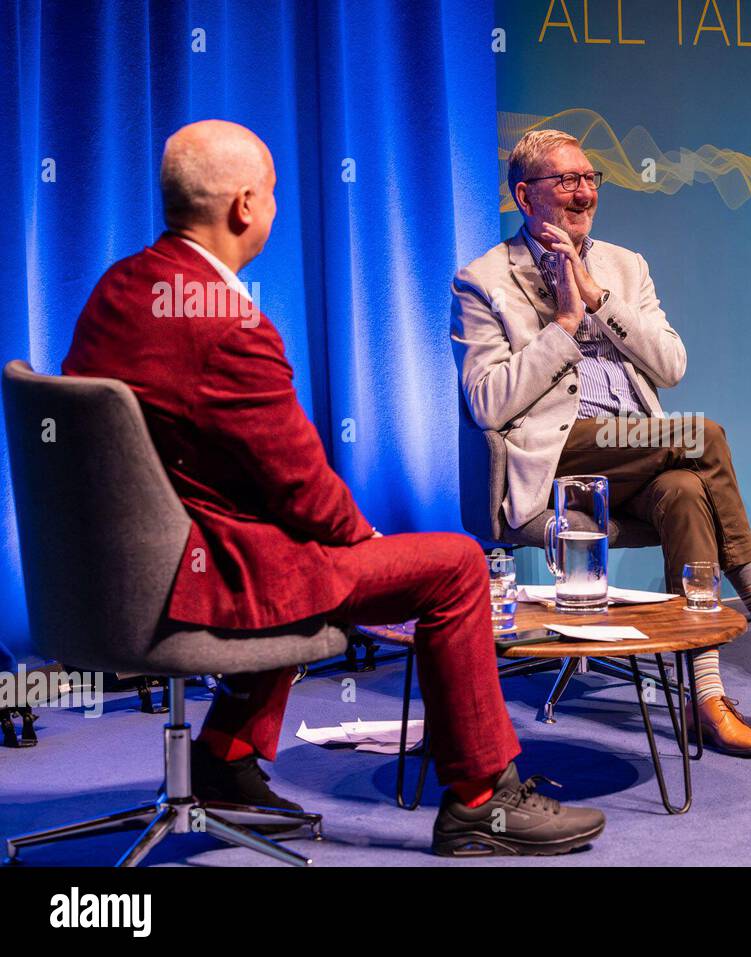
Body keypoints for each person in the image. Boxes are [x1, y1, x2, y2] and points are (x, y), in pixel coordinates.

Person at [63, 119, 604, 855]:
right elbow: (302, 486)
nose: (278, 208)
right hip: (192, 575)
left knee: (291, 545)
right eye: (276, 193)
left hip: (107, 577)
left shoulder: (120, 288)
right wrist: (368, 546)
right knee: (453, 565)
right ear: (245, 206)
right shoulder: (229, 325)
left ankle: (223, 759)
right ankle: (483, 799)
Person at [451, 129, 751, 757]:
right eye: (566, 181)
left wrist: (595, 297)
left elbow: (670, 366)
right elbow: (487, 403)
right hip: (556, 452)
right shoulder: (482, 280)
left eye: (590, 178)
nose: (584, 192)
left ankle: (706, 695)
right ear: (524, 194)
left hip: (634, 445)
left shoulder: (624, 265)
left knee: (686, 488)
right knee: (702, 436)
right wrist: (563, 324)